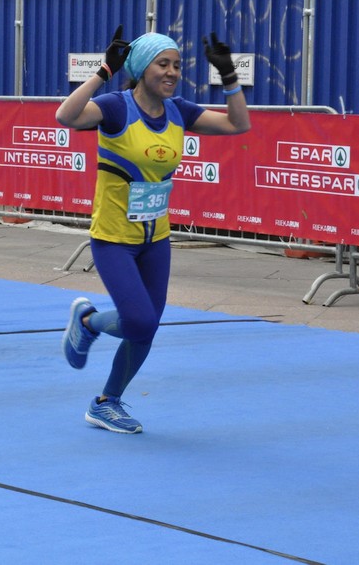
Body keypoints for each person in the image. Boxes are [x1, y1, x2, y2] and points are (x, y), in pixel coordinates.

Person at [55, 27, 251, 434]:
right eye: (163, 64)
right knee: (140, 322)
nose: (172, 72)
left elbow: (238, 124)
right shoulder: (115, 107)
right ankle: (88, 323)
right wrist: (105, 70)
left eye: (177, 65)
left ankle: (106, 403)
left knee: (146, 329)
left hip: (156, 240)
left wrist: (229, 76)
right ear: (142, 68)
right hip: (114, 240)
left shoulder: (179, 110)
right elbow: (66, 117)